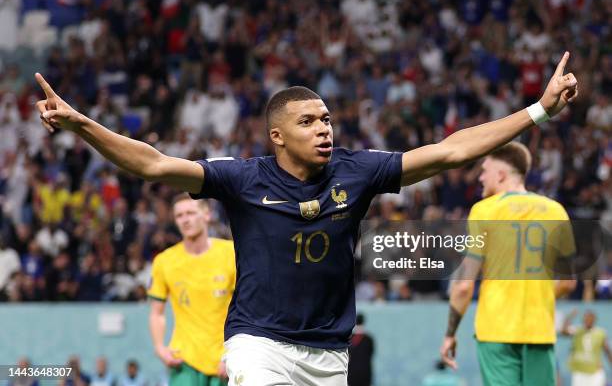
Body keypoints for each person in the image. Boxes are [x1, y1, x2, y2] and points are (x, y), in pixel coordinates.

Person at [34, 51, 577, 386]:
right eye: (309, 121)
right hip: (258, 343)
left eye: (327, 119)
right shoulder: (242, 179)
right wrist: (84, 125)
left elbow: (451, 151)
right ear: (277, 135)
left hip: (329, 353)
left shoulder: (358, 172)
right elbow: (152, 162)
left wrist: (539, 111)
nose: (325, 129)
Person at [439, 142, 578, 386]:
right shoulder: (556, 211)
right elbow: (568, 282)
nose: (480, 177)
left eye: (485, 170)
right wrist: (539, 297)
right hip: (539, 330)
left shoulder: (483, 211)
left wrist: (450, 334)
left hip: (496, 331)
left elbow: (463, 286)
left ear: (501, 174)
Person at [148, 194, 235, 386]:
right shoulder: (165, 261)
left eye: (191, 213)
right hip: (184, 360)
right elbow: (157, 313)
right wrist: (159, 348)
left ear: (207, 214)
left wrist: (236, 352)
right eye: (179, 215)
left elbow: (247, 307)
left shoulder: (231, 253)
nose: (185, 219)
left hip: (224, 359)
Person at [561, 309, 612, 386]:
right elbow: (564, 332)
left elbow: (607, 351)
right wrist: (569, 318)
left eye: (590, 318)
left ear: (594, 319)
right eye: (586, 318)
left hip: (594, 371)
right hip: (579, 370)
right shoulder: (577, 330)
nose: (588, 320)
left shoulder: (600, 333)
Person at [347, 314, 374, 386]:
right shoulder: (369, 339)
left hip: (351, 372)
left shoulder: (348, 339)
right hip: (365, 372)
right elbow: (371, 354)